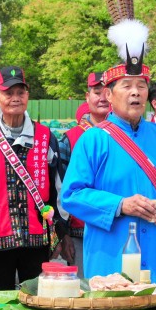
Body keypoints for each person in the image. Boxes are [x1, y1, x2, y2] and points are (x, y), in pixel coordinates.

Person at [60, 24, 156, 283]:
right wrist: (121, 205)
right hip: (110, 255)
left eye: (141, 86)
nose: (135, 92)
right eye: (126, 86)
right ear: (109, 95)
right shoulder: (93, 139)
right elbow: (71, 195)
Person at [0, 66, 70, 290]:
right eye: (9, 93)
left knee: (37, 301)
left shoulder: (46, 138)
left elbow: (60, 191)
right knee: (0, 304)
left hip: (37, 240)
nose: (15, 98)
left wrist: (57, 233)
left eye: (21, 92)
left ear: (28, 96)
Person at [58, 72, 111, 277]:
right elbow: (61, 190)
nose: (103, 98)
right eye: (97, 92)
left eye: (107, 92)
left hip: (119, 227)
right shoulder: (69, 139)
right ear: (87, 97)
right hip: (80, 231)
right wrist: (64, 235)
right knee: (85, 289)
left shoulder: (127, 135)